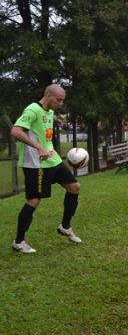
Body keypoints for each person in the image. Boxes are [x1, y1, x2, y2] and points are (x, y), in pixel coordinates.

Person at [10, 84, 82, 254]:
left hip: (53, 160)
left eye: (63, 100)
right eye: (59, 99)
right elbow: (15, 131)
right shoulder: (33, 110)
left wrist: (48, 149)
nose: (61, 103)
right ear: (48, 96)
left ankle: (65, 227)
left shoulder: (50, 112)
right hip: (36, 164)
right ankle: (19, 242)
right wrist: (38, 147)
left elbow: (45, 136)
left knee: (74, 187)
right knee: (34, 200)